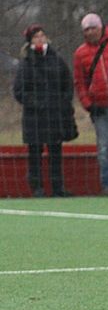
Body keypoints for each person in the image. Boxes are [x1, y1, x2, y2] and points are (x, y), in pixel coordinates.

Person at [13, 24, 75, 197]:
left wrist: (63, 102)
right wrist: (37, 103)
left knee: (56, 152)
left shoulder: (57, 60)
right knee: (35, 153)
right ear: (30, 41)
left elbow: (67, 84)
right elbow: (19, 91)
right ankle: (37, 187)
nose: (40, 39)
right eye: (36, 37)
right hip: (35, 117)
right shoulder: (25, 64)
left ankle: (58, 187)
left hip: (55, 115)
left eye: (42, 35)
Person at [73, 13, 108, 195]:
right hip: (100, 107)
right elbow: (80, 83)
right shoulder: (80, 53)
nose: (90, 32)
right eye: (86, 29)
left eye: (93, 27)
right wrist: (88, 104)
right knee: (104, 148)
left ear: (101, 27)